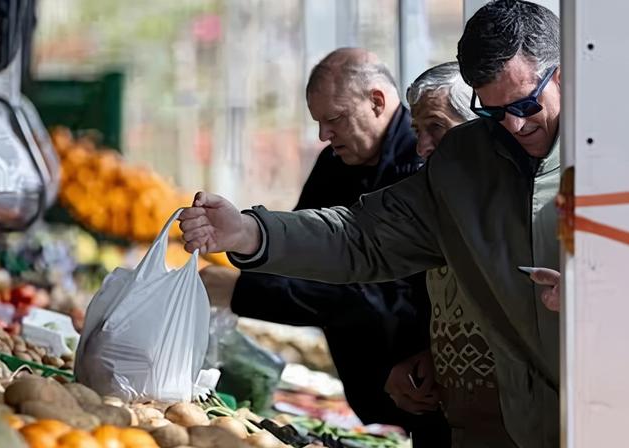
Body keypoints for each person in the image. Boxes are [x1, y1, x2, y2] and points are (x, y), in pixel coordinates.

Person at [178, 2, 562, 447]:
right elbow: (362, 237)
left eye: (525, 104)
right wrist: (249, 232)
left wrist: (603, 297)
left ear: (562, 75)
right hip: (506, 424)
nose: (514, 124)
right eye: (493, 112)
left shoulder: (609, 157)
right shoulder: (463, 162)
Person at [200, 48, 450, 445]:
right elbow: (304, 254)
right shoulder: (335, 163)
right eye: (318, 122)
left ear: (377, 101)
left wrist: (243, 289)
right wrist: (248, 240)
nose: (323, 135)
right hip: (380, 391)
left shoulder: (422, 168)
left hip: (429, 388)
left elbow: (377, 291)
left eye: (334, 119)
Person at [392, 61, 516, 447]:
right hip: (454, 425)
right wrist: (425, 353)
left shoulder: (521, 210)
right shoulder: (439, 205)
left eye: (436, 127)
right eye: (417, 131)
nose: (422, 147)